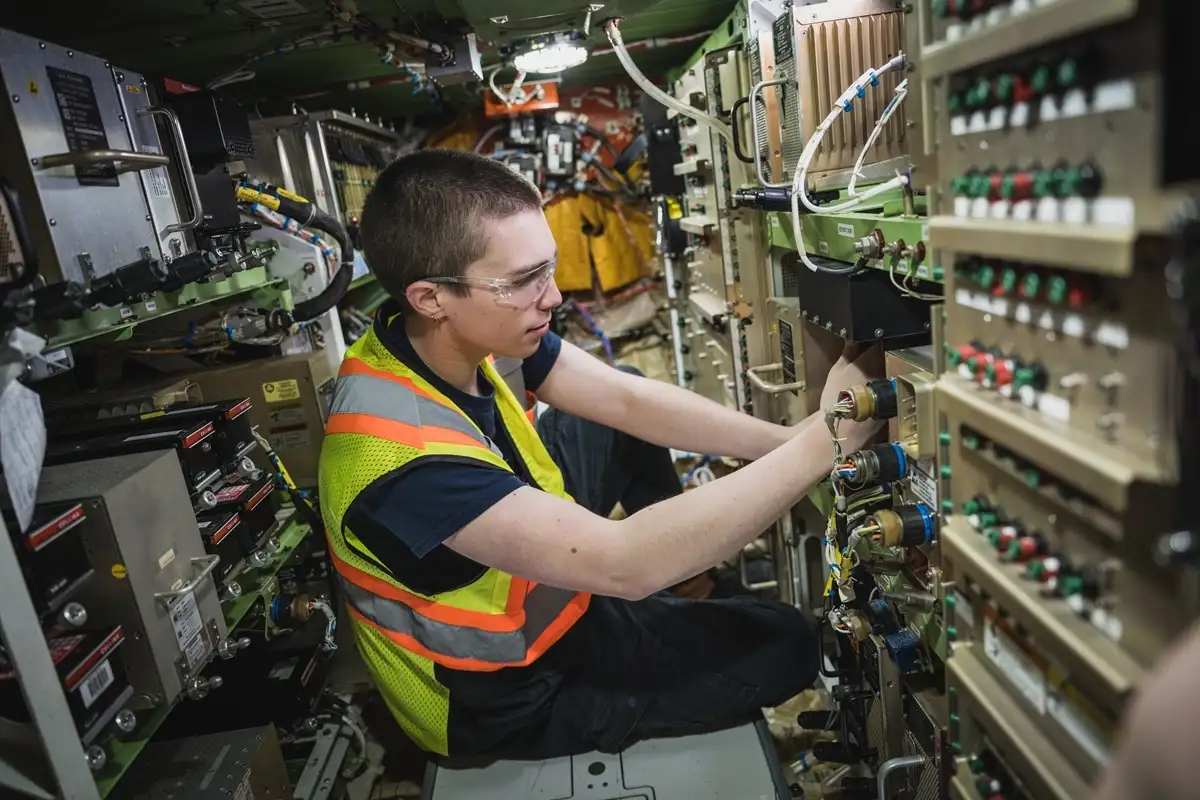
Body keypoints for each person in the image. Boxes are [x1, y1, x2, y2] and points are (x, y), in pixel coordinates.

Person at [317, 148, 884, 760]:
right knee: (790, 644)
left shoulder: (440, 336)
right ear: (431, 297)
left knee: (613, 427)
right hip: (508, 692)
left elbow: (627, 402)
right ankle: (673, 602)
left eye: (548, 267)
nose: (554, 295)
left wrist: (783, 442)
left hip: (533, 563)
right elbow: (625, 563)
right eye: (523, 281)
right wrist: (828, 443)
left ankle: (688, 582)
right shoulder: (400, 460)